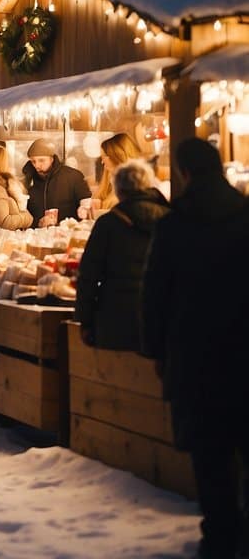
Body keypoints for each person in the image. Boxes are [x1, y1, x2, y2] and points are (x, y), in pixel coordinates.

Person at [141, 138, 249, 559]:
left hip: (195, 352)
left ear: (184, 173)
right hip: (242, 346)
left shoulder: (174, 224)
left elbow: (155, 293)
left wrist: (155, 351)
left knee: (211, 454)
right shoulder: (245, 216)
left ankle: (220, 537)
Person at [74, 160, 168, 351]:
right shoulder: (169, 219)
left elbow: (88, 275)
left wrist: (84, 320)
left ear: (118, 190)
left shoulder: (108, 223)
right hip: (158, 318)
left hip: (114, 318)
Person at [23, 138, 91, 226]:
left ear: (52, 159)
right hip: (37, 234)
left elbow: (85, 199)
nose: (37, 165)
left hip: (67, 233)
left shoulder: (73, 176)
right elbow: (24, 212)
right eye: (33, 161)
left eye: (41, 160)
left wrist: (84, 208)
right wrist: (38, 222)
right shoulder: (27, 180)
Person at [92, 132, 144, 213]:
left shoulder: (132, 190)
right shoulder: (110, 181)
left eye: (104, 156)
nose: (102, 162)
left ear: (117, 156)